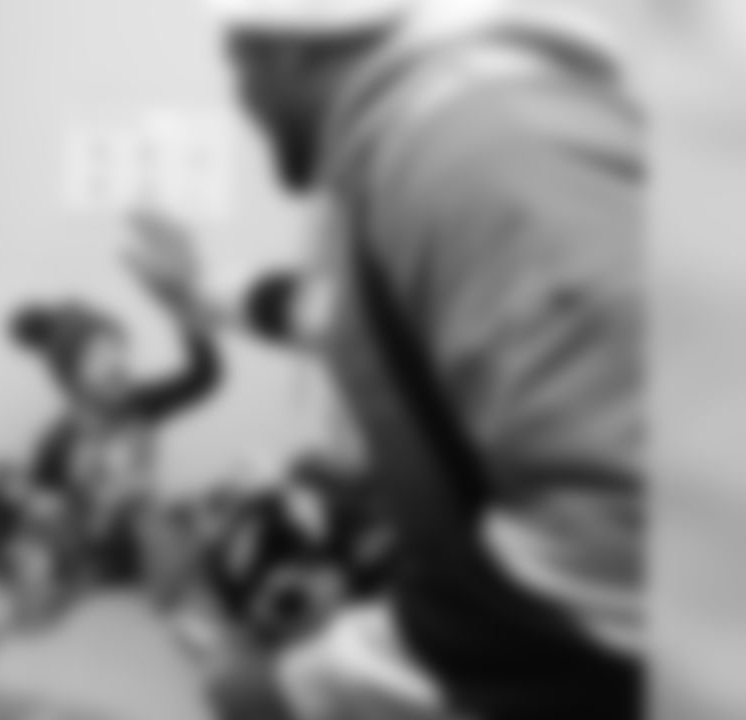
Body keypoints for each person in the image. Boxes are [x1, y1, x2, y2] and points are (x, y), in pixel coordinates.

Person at [167, 0, 644, 719]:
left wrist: (307, 688)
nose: (240, 100)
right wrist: (202, 288)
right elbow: (341, 314)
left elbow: (626, 527)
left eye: (237, 64)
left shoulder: (478, 146)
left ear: (285, 48)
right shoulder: (429, 138)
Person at [8, 233, 226, 584]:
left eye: (119, 348)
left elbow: (205, 376)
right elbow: (42, 510)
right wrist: (42, 548)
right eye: (99, 355)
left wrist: (180, 305)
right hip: (89, 560)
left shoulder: (140, 403)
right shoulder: (58, 441)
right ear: (71, 378)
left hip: (144, 546)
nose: (117, 362)